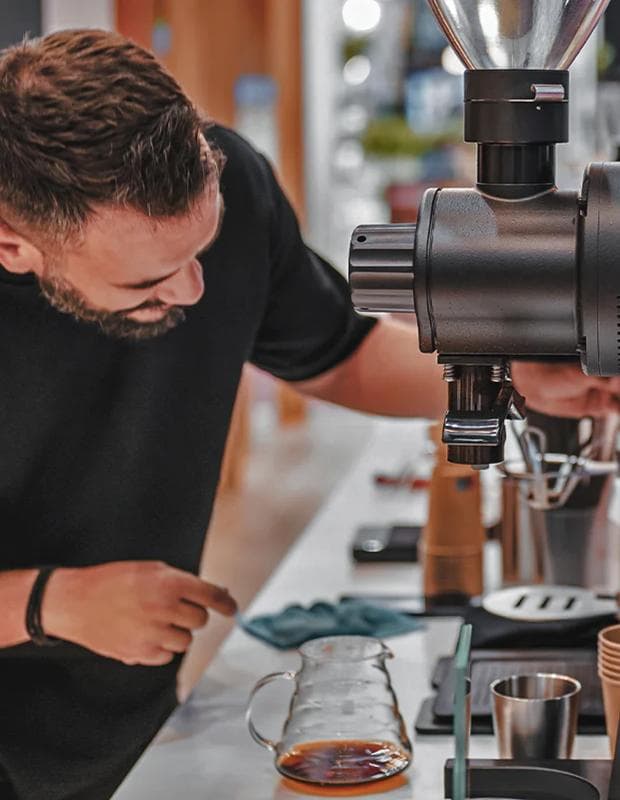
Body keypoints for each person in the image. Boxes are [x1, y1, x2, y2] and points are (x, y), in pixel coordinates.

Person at [0, 29, 617, 800]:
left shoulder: (231, 185)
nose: (196, 291)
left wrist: (513, 376)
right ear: (14, 245)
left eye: (206, 248)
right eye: (152, 281)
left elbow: (340, 352)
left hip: (131, 715)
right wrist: (48, 601)